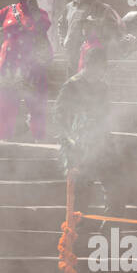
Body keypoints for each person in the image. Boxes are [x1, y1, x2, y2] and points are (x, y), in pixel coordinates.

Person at [0, 0, 50, 142]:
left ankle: (39, 140)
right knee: (6, 102)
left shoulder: (41, 14)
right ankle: (5, 139)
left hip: (32, 66)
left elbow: (43, 27)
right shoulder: (8, 11)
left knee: (35, 103)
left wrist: (33, 9)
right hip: (8, 65)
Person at [56, 45, 113, 208]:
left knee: (116, 178)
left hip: (99, 143)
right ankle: (77, 226)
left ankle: (110, 223)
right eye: (99, 66)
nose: (101, 71)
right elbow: (60, 116)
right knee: (80, 187)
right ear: (89, 65)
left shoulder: (103, 87)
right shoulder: (72, 85)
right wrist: (70, 140)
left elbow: (106, 115)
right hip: (76, 145)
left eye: (103, 67)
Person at [56, 0, 122, 75]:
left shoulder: (101, 8)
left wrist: (100, 44)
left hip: (92, 57)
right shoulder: (69, 7)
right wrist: (63, 39)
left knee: (90, 86)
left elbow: (113, 29)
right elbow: (61, 24)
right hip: (72, 55)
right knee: (72, 85)